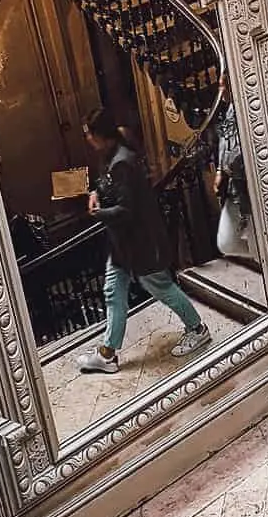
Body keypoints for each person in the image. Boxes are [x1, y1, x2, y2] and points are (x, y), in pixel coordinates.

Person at [78, 108, 212, 373]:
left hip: (140, 244)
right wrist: (95, 192)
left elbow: (127, 211)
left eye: (88, 134)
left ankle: (197, 328)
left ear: (99, 135)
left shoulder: (122, 162)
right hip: (124, 245)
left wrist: (98, 213)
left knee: (162, 288)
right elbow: (108, 185)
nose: (87, 139)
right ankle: (108, 355)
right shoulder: (113, 154)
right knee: (113, 292)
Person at [213, 78, 255, 262]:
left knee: (255, 240)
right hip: (234, 185)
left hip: (248, 185)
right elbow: (225, 140)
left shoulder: (246, 109)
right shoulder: (229, 110)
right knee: (226, 242)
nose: (221, 91)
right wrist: (221, 170)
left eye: (224, 85)